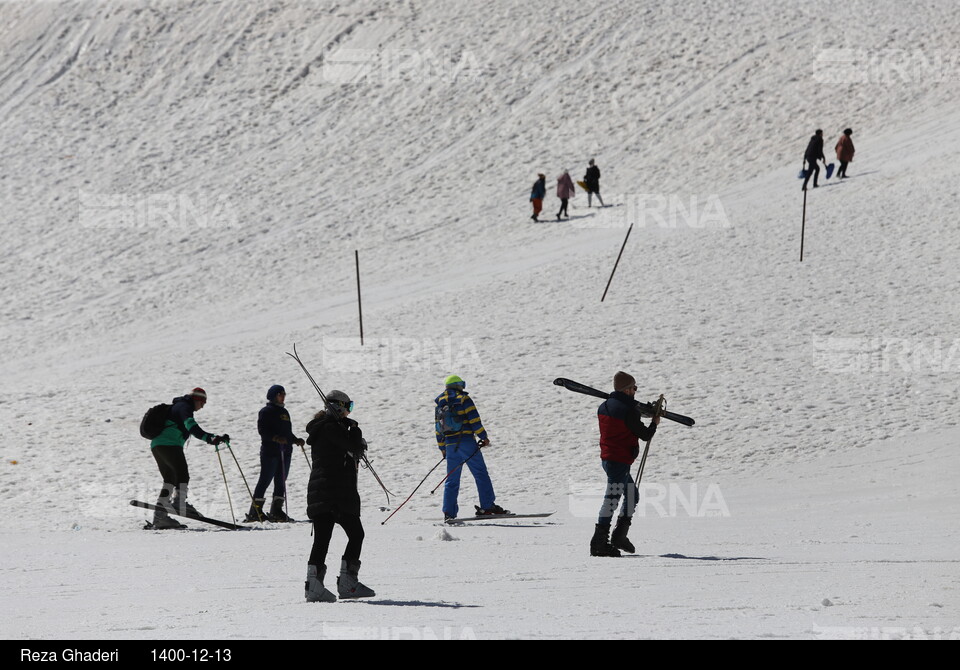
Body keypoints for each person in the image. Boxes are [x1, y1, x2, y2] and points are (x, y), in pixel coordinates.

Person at [303, 390, 375, 602]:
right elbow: (352, 446)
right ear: (338, 406)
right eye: (348, 406)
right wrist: (355, 430)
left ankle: (314, 586)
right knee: (356, 534)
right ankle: (347, 583)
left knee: (323, 539)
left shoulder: (327, 428)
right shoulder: (330, 428)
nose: (349, 411)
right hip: (334, 493)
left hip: (326, 493)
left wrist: (351, 430)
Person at [591, 371, 659, 557]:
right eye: (634, 387)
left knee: (631, 495)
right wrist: (654, 422)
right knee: (611, 500)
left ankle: (619, 536)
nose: (635, 391)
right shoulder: (629, 411)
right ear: (627, 390)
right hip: (619, 460)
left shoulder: (604, 406)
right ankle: (599, 543)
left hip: (609, 459)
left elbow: (624, 421)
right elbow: (645, 435)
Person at [148, 387, 230, 529]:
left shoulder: (179, 406)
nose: (203, 406)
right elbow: (191, 426)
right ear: (197, 399)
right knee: (182, 475)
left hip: (158, 445)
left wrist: (213, 437)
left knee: (170, 479)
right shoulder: (184, 407)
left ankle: (159, 518)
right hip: (169, 445)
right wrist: (209, 438)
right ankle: (179, 503)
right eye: (203, 402)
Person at [435, 375, 508, 521]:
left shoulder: (440, 404)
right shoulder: (463, 399)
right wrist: (483, 437)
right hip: (466, 441)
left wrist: (442, 448)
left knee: (452, 479)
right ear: (458, 385)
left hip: (450, 445)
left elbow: (438, 428)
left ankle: (449, 512)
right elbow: (474, 419)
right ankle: (487, 507)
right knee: (480, 473)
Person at [246, 385, 305, 523]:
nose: (283, 396)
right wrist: (275, 438)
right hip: (271, 452)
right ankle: (255, 511)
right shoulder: (266, 411)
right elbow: (263, 431)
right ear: (273, 395)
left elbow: (287, 432)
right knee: (265, 479)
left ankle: (276, 510)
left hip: (285, 452)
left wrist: (295, 440)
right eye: (280, 394)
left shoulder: (285, 412)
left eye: (284, 394)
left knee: (281, 481)